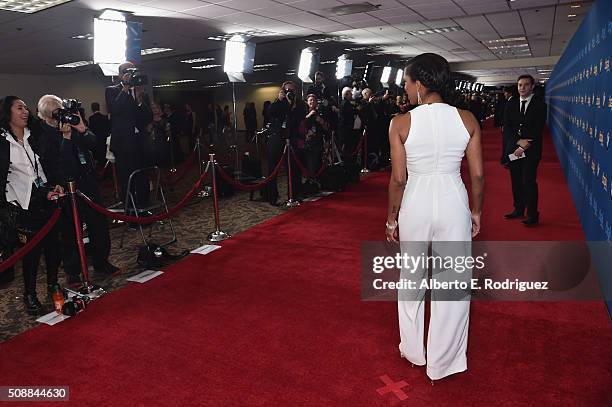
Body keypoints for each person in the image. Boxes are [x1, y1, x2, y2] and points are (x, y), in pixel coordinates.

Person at [385, 53, 484, 382]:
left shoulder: (400, 122)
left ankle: (413, 349)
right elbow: (479, 176)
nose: (404, 89)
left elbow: (398, 179)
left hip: (416, 202)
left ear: (420, 84)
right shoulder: (468, 118)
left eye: (406, 82)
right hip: (454, 201)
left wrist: (391, 219)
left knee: (411, 279)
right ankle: (444, 362)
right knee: (452, 284)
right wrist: (476, 212)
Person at [37, 94, 119, 278]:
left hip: (87, 181)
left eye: (59, 111)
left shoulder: (71, 123)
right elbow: (59, 164)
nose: (58, 117)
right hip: (66, 186)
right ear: (44, 116)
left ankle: (101, 261)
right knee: (70, 232)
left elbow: (92, 143)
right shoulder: (42, 136)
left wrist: (82, 129)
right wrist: (65, 139)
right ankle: (73, 272)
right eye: (53, 114)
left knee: (98, 224)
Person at [0, 96, 64, 313]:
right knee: (31, 253)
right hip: (21, 204)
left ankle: (53, 283)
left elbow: (47, 165)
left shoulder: (34, 136)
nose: (25, 111)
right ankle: (29, 294)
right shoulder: (2, 142)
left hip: (44, 198)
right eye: (19, 108)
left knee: (54, 246)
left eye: (26, 108)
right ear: (7, 113)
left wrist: (55, 184)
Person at [105, 61, 152, 207]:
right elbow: (115, 109)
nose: (130, 73)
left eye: (132, 70)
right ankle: (130, 213)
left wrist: (139, 101)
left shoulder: (140, 91)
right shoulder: (112, 90)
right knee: (127, 180)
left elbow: (147, 118)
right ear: (119, 75)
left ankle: (144, 210)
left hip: (140, 142)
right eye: (126, 71)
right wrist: (125, 88)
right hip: (124, 144)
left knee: (142, 178)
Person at [502, 74, 547, 226]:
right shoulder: (511, 104)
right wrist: (517, 142)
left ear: (532, 86)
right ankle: (518, 209)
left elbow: (538, 129)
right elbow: (507, 127)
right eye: (520, 85)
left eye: (526, 85)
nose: (522, 88)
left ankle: (533, 214)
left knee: (528, 181)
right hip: (514, 150)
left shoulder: (540, 105)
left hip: (531, 150)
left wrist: (523, 145)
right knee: (516, 180)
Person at [268, 81, 308, 204]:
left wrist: (293, 106)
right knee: (273, 168)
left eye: (291, 90)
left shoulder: (299, 103)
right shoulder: (279, 101)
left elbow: (302, 115)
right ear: (282, 91)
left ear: (295, 90)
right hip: (278, 137)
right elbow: (270, 112)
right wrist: (280, 100)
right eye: (286, 90)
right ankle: (273, 197)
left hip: (293, 138)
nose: (289, 92)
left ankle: (294, 195)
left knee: (295, 168)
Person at [302, 95, 329, 182]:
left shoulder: (320, 113)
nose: (312, 102)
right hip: (308, 143)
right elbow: (301, 124)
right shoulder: (304, 113)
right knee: (310, 164)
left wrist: (321, 122)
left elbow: (326, 128)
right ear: (307, 102)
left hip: (319, 141)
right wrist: (309, 115)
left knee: (318, 162)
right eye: (310, 100)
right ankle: (311, 182)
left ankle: (318, 182)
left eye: (314, 100)